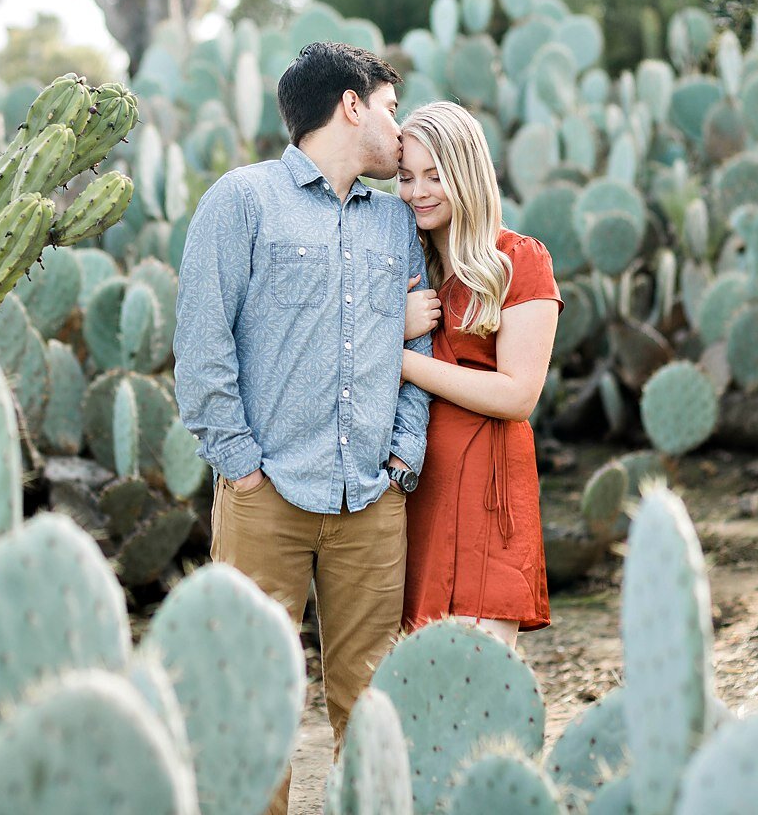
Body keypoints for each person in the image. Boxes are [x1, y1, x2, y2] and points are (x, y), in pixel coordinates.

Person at [173, 42, 432, 815]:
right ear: (351, 105)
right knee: (255, 702)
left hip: (371, 500)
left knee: (372, 700)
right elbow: (202, 345)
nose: (399, 127)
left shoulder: (398, 225)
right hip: (268, 497)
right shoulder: (242, 201)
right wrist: (241, 464)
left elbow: (417, 349)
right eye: (390, 108)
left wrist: (402, 456)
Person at [394, 100, 561, 650]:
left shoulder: (517, 260)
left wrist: (401, 360)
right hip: (415, 487)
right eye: (406, 176)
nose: (418, 191)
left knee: (478, 683)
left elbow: (519, 394)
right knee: (419, 682)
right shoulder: (406, 268)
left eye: (434, 176)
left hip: (489, 493)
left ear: (465, 174)